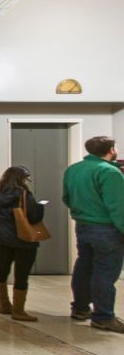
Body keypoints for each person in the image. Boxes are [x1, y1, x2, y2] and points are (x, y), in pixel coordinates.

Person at [63, 136, 124, 333]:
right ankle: (103, 317)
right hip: (106, 228)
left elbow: (67, 197)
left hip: (83, 226)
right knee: (105, 272)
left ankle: (80, 308)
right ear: (111, 150)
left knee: (84, 266)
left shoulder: (73, 169)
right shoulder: (109, 172)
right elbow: (117, 206)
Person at [0, 166, 45, 321]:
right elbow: (34, 217)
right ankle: (19, 310)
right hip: (23, 238)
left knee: (2, 270)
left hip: (3, 236)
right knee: (21, 274)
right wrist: (40, 207)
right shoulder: (24, 194)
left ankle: (4, 305)